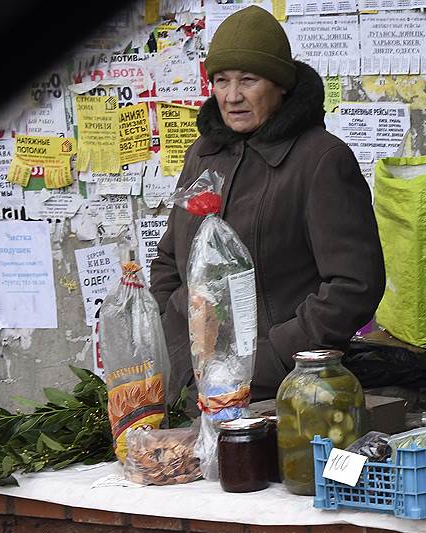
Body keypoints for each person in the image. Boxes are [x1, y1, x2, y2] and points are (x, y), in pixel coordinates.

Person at [150, 5, 385, 403]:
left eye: (249, 80)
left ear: (280, 86)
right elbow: (171, 259)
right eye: (221, 80)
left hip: (279, 389)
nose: (233, 96)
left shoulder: (320, 160)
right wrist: (167, 336)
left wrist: (275, 356)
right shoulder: (203, 155)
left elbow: (354, 285)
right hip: (191, 383)